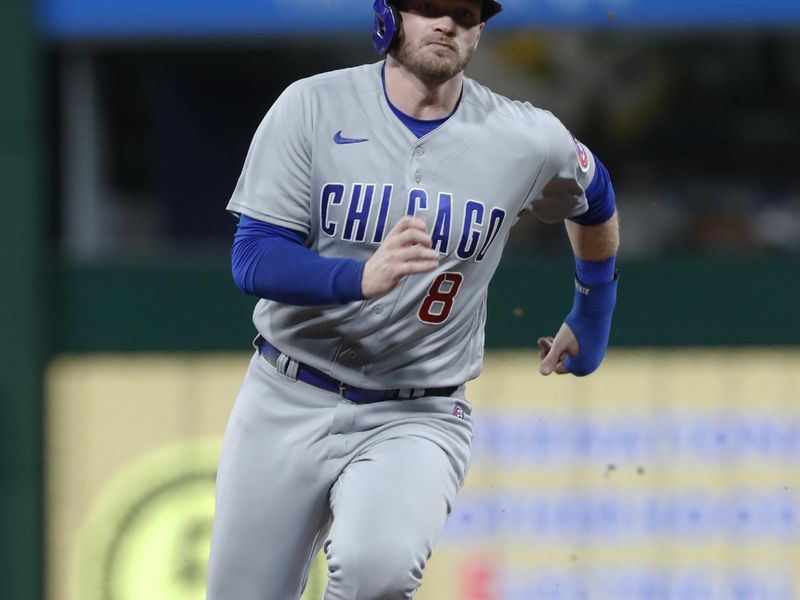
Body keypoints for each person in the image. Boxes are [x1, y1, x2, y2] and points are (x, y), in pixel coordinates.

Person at [206, 0, 620, 598]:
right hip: (286, 395)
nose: (447, 23)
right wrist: (356, 279)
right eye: (429, 6)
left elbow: (594, 194)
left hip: (417, 411)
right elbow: (253, 256)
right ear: (388, 14)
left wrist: (592, 312)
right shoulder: (311, 105)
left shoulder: (524, 136)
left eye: (466, 11)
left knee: (379, 570)